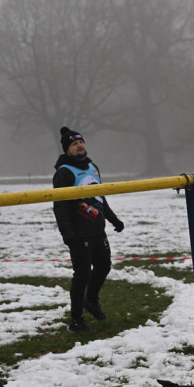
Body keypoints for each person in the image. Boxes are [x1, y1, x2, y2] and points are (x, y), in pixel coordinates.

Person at [52, 126, 124, 331]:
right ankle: (76, 320)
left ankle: (91, 301)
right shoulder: (64, 173)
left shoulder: (93, 167)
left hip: (97, 230)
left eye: (81, 142)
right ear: (67, 149)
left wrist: (113, 220)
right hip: (78, 233)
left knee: (103, 266)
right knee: (81, 274)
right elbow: (61, 206)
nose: (79, 146)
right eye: (74, 144)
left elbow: (100, 197)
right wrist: (68, 234)